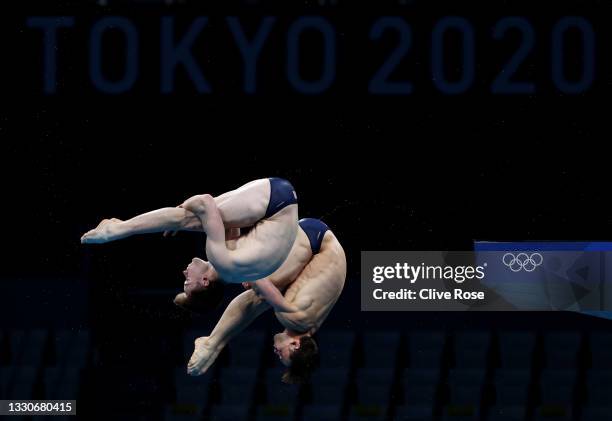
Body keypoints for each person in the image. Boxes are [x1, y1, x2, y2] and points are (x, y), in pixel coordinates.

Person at [81, 178, 299, 306]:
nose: (184, 274)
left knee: (201, 220)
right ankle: (120, 229)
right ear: (205, 281)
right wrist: (182, 208)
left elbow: (231, 226)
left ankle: (121, 228)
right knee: (193, 219)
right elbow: (204, 202)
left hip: (282, 201)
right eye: (187, 282)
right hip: (275, 202)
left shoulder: (234, 272)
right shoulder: (222, 262)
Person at [183, 218, 347, 384]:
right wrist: (253, 277)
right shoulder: (293, 319)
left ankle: (213, 343)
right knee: (255, 286)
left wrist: (257, 282)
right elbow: (258, 286)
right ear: (295, 345)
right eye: (282, 355)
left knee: (263, 294)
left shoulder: (309, 325)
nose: (276, 352)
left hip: (321, 242)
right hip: (315, 240)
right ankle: (212, 343)